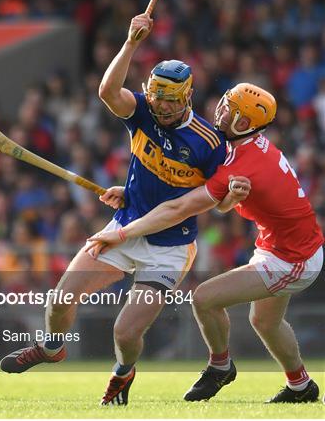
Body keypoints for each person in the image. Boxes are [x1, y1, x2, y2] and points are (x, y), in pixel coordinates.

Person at [0, 13, 246, 405]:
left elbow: (210, 204)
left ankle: (123, 372)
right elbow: (108, 92)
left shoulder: (209, 142)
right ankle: (51, 348)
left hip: (169, 248)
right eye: (158, 98)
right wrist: (131, 41)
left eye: (171, 102)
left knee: (125, 334)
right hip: (125, 224)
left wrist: (230, 197)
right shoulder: (144, 111)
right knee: (60, 299)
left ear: (187, 97)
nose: (162, 108)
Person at [87, 82, 324, 404]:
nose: (218, 109)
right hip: (281, 245)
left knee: (205, 298)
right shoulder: (242, 147)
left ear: (243, 124)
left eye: (229, 110)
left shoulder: (241, 161)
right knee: (264, 321)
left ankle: (220, 366)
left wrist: (123, 233)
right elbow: (222, 201)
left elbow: (180, 207)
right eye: (224, 102)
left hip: (293, 258)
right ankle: (301, 387)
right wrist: (132, 195)